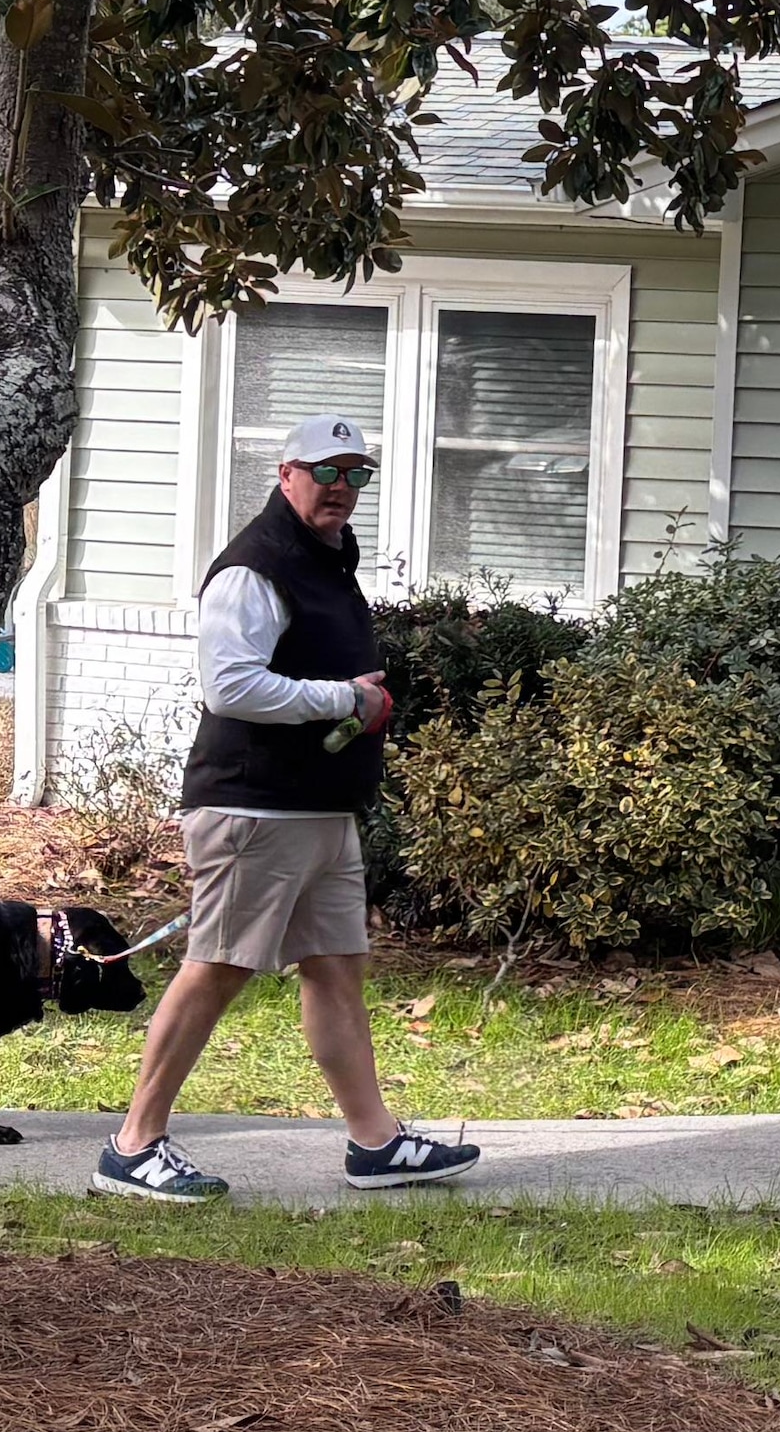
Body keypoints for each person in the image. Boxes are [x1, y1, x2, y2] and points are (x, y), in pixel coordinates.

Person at [96, 413, 489, 1202]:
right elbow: (230, 685)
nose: (341, 488)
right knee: (218, 966)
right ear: (286, 476)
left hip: (320, 809)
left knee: (336, 968)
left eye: (355, 475)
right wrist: (344, 698)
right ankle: (133, 1146)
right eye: (325, 472)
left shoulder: (326, 558)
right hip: (255, 808)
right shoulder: (256, 566)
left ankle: (375, 1144)